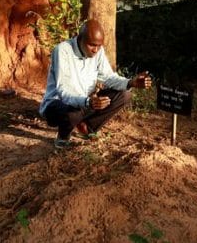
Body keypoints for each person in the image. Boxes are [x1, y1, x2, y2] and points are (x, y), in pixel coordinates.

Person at [39, 19, 151, 149]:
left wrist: (131, 82)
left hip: (85, 102)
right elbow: (64, 91)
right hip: (58, 105)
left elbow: (109, 77)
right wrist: (87, 102)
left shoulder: (98, 51)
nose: (96, 50)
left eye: (99, 46)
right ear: (79, 38)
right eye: (92, 45)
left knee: (124, 95)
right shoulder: (63, 50)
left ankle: (86, 127)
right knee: (73, 112)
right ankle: (63, 136)